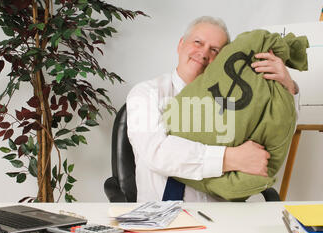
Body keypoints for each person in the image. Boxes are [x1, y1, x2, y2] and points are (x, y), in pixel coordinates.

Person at [126, 16, 299, 202]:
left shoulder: (237, 102)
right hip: (163, 219)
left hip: (223, 216)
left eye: (215, 50)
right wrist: (229, 158)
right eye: (198, 42)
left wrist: (287, 88)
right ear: (181, 45)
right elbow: (157, 152)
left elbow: (275, 132)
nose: (204, 53)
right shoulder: (146, 93)